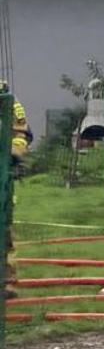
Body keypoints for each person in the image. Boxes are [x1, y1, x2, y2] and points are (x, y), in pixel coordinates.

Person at [3, 82, 30, 300]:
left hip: (2, 179)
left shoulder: (7, 100)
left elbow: (21, 134)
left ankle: (6, 282)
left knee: (4, 235)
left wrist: (13, 154)